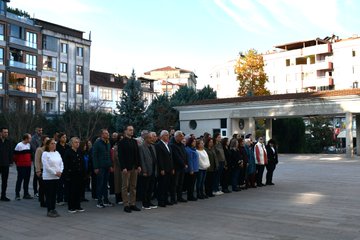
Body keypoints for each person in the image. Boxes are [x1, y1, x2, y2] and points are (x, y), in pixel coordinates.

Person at [118, 125, 141, 213]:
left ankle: (132, 203)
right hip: (126, 168)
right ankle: (126, 205)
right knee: (125, 186)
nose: (132, 131)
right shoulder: (122, 142)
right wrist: (123, 167)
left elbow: (137, 154)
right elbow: (120, 156)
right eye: (130, 130)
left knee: (133, 186)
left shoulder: (134, 141)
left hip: (134, 167)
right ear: (125, 131)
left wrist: (139, 165)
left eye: (132, 130)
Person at [42, 138, 63, 217]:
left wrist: (60, 171)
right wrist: (55, 173)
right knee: (49, 194)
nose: (54, 145)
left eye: (54, 143)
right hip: (48, 177)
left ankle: (53, 209)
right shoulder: (45, 154)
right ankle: (49, 210)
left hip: (57, 177)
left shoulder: (57, 153)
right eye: (52, 143)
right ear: (48, 145)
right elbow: (46, 166)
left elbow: (61, 163)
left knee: (54, 194)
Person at [92, 129, 113, 208]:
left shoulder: (108, 143)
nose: (108, 134)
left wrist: (110, 165)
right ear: (101, 135)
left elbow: (109, 155)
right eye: (106, 133)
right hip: (100, 167)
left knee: (105, 184)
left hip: (107, 166)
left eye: (108, 133)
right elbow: (94, 156)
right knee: (100, 184)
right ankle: (99, 201)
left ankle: (106, 200)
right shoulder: (97, 143)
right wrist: (96, 167)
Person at [63, 137, 85, 213]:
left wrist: (83, 173)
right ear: (72, 143)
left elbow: (82, 163)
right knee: (71, 191)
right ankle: (71, 207)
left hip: (79, 174)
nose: (77, 143)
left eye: (78, 142)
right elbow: (65, 165)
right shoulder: (68, 152)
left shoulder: (80, 151)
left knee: (78, 191)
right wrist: (66, 175)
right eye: (76, 142)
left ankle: (78, 205)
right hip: (71, 174)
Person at [139, 132, 158, 210]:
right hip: (146, 170)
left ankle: (149, 201)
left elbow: (155, 159)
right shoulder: (141, 147)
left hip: (153, 170)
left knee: (151, 187)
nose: (152, 139)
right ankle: (144, 203)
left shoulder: (153, 146)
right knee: (145, 188)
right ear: (146, 138)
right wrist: (144, 171)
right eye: (150, 138)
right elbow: (142, 160)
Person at [155, 130, 174, 207]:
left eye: (168, 135)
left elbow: (170, 157)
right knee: (162, 186)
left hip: (169, 168)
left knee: (167, 185)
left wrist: (172, 168)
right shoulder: (158, 145)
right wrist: (162, 169)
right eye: (166, 135)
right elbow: (160, 158)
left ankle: (166, 200)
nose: (168, 136)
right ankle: (161, 201)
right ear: (162, 136)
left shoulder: (168, 145)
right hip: (163, 169)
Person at [169, 131, 188, 203]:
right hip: (176, 167)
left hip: (182, 167)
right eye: (181, 136)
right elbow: (176, 156)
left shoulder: (181, 144)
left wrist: (186, 163)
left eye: (183, 136)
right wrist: (183, 164)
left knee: (180, 183)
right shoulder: (172, 144)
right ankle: (173, 198)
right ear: (177, 136)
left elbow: (184, 154)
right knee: (174, 184)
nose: (183, 138)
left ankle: (179, 197)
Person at [14, 133, 33, 200]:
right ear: (26, 138)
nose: (31, 139)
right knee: (20, 179)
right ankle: (17, 194)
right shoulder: (19, 145)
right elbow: (15, 156)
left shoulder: (28, 145)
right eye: (30, 138)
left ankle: (26, 193)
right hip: (21, 166)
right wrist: (18, 163)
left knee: (27, 180)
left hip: (28, 165)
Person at [34, 135, 50, 207]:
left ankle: (47, 200)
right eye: (46, 140)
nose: (47, 142)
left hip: (49, 170)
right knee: (42, 186)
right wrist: (38, 170)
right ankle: (42, 201)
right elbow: (37, 161)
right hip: (42, 169)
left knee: (48, 186)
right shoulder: (39, 149)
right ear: (43, 141)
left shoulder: (50, 150)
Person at [56, 132, 69, 205]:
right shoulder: (57, 146)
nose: (65, 138)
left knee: (67, 183)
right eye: (63, 137)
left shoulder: (67, 146)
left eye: (65, 137)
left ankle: (66, 197)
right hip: (59, 167)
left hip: (66, 166)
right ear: (60, 138)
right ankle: (59, 199)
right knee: (60, 184)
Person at [0, 127, 13, 201]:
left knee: (5, 181)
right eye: (4, 132)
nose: (6, 134)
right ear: (1, 133)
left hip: (5, 164)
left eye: (7, 132)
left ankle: (3, 196)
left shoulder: (9, 141)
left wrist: (11, 161)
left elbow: (10, 152)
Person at [30, 127, 42, 198]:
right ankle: (35, 191)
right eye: (39, 130)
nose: (40, 132)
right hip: (36, 158)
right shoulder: (33, 139)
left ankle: (40, 190)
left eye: (41, 130)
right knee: (36, 176)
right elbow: (34, 149)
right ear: (36, 131)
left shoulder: (41, 138)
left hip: (42, 159)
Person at [111, 134, 123, 205]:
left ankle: (121, 197)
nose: (121, 140)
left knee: (122, 183)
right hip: (118, 167)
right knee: (118, 183)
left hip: (123, 167)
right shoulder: (116, 147)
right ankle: (118, 198)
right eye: (120, 139)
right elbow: (116, 157)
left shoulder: (123, 146)